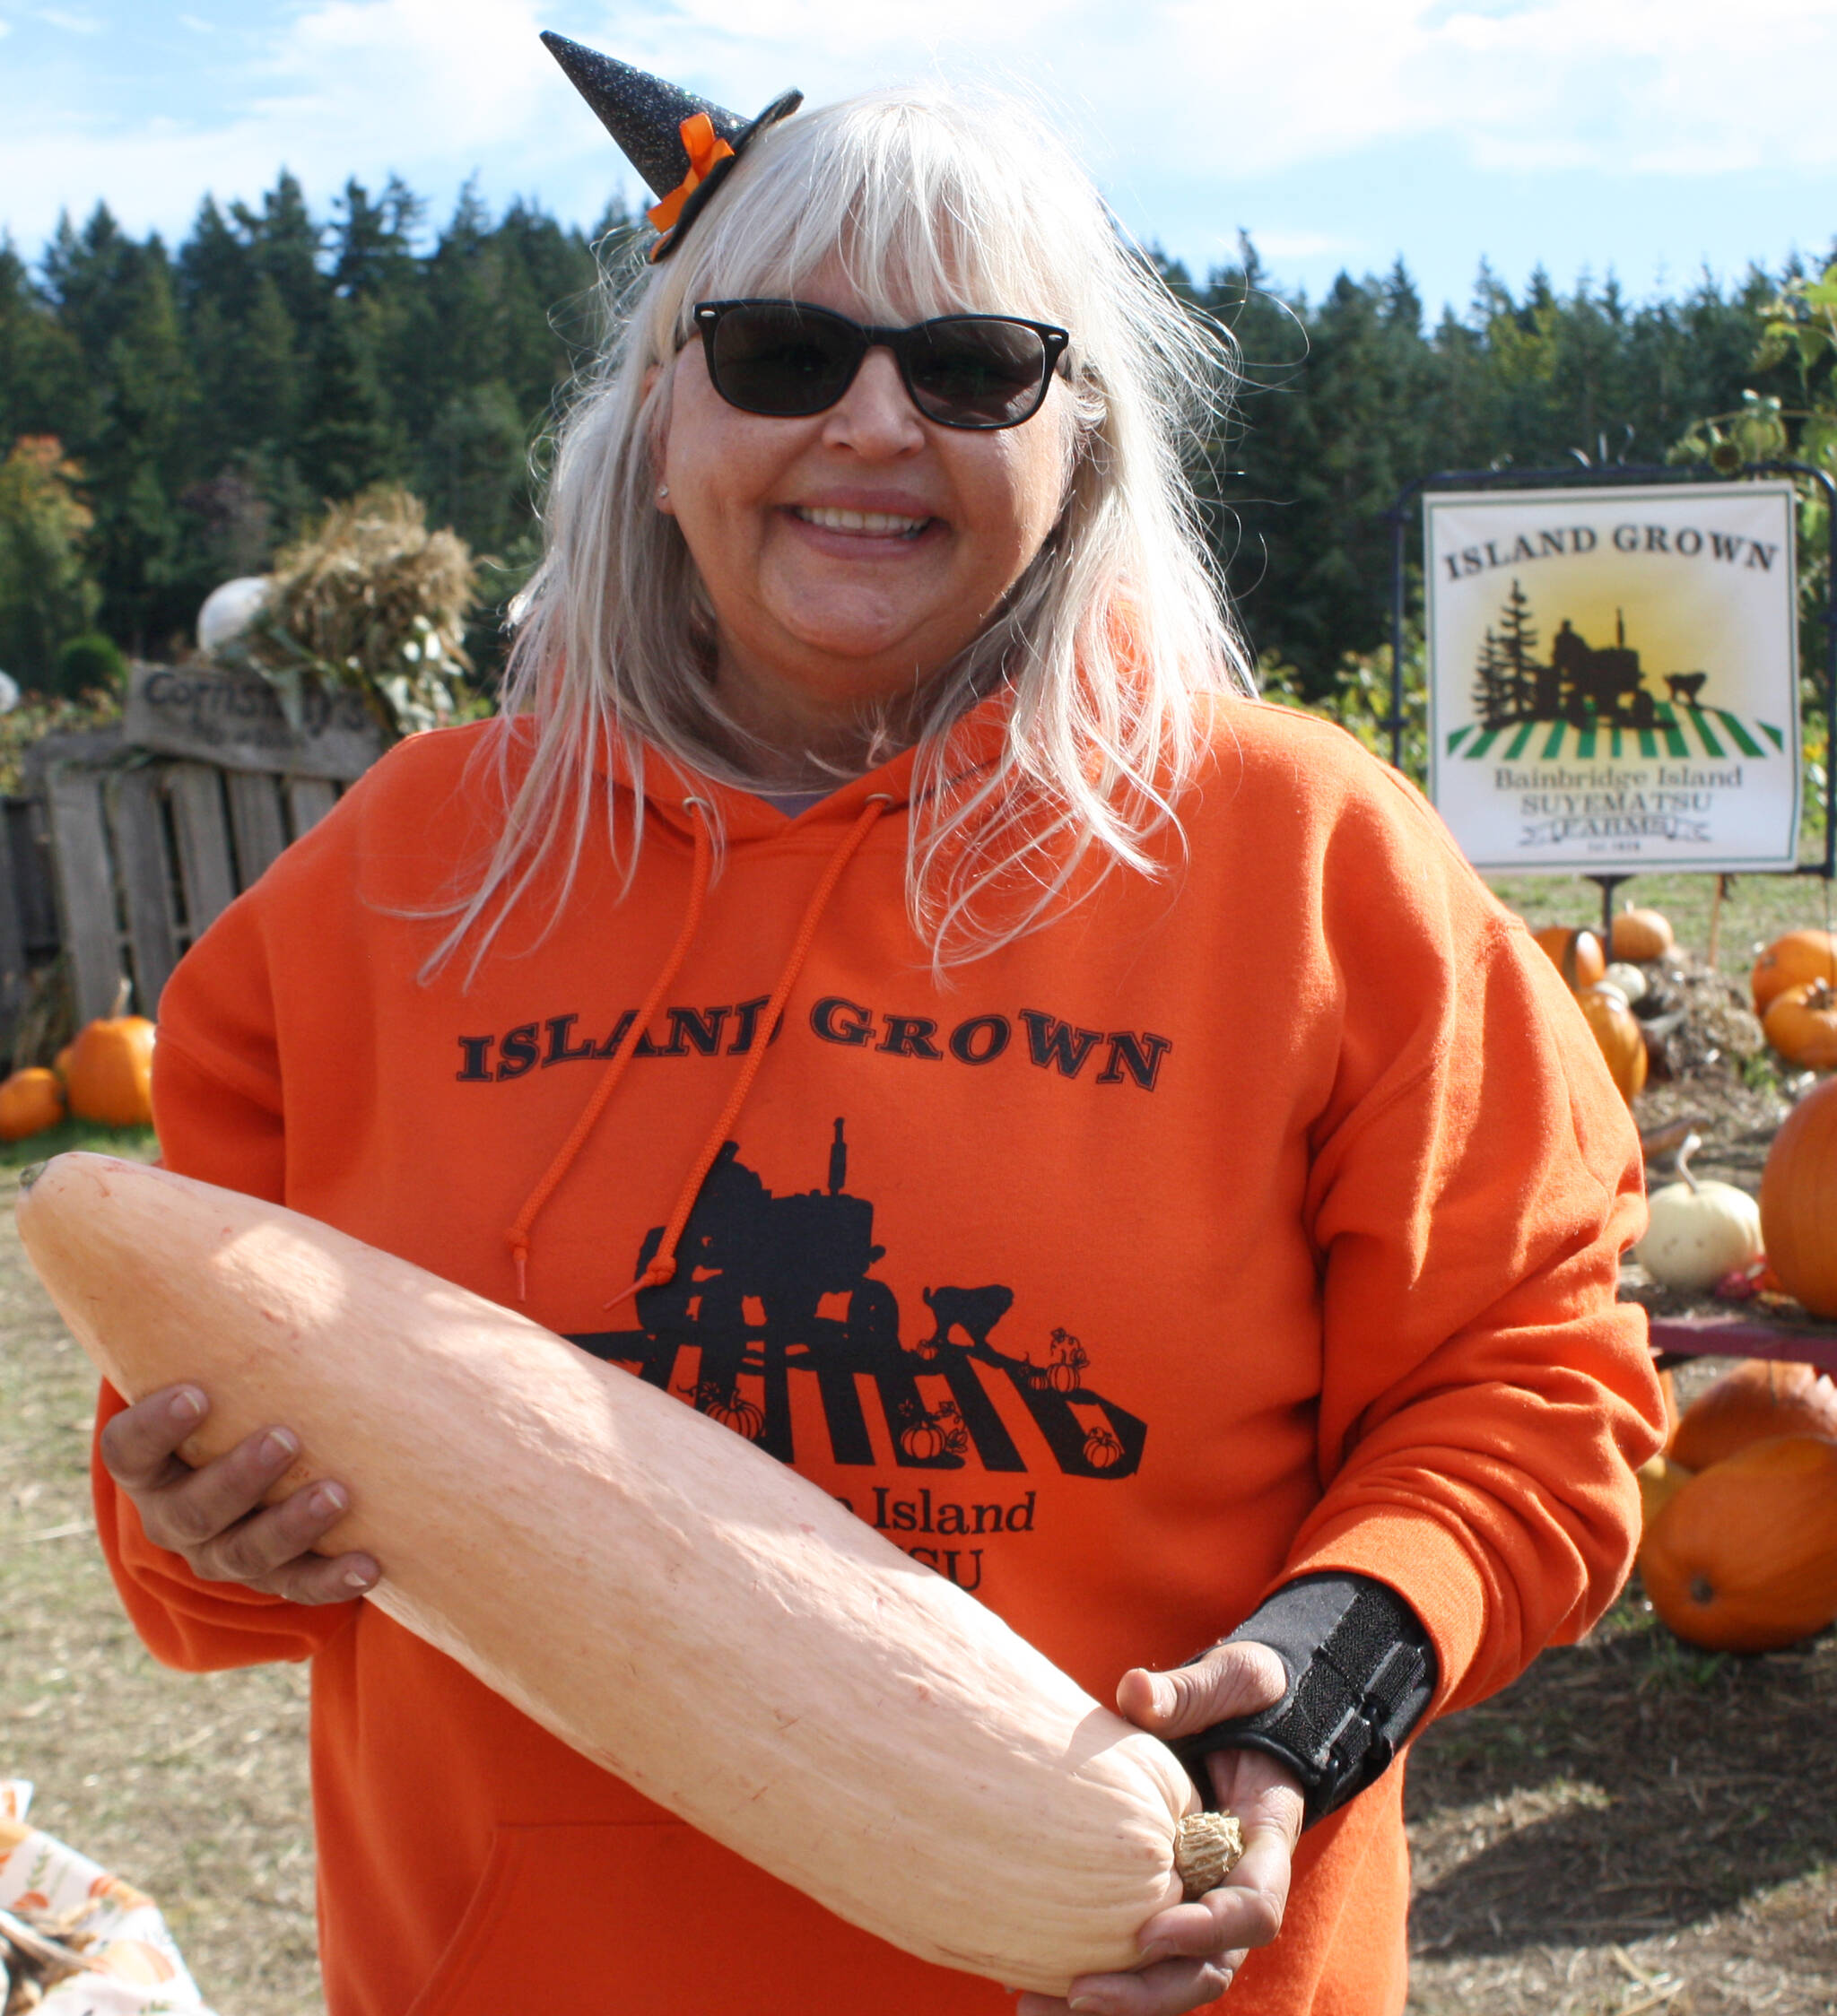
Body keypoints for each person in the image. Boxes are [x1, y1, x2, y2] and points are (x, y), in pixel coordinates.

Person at [91, 37, 1665, 2016]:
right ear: (661, 416)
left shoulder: (1297, 852)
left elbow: (1535, 1380)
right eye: (777, 354)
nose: (868, 423)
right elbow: (178, 1504)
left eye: (968, 367)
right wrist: (212, 1526)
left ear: (1078, 440)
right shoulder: (396, 880)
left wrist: (1330, 1675)